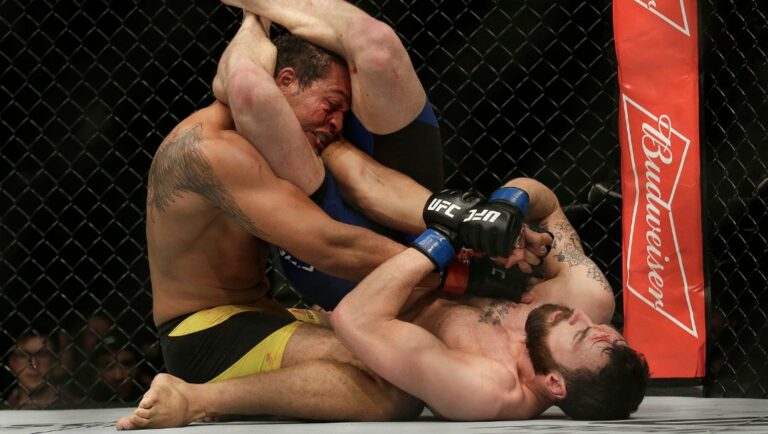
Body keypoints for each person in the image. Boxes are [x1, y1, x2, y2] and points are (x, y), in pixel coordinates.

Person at [116, 177, 647, 429]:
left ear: (554, 384)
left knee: (395, 395)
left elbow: (357, 316)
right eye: (603, 328)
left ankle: (197, 401)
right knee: (367, 101)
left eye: (578, 335)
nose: (580, 318)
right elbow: (545, 195)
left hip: (326, 286)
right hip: (381, 260)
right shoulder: (586, 299)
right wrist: (503, 213)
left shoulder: (486, 387)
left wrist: (448, 239)